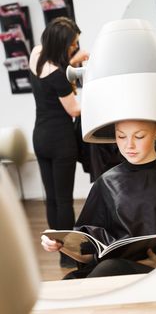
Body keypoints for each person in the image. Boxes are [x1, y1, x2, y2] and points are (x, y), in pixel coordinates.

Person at [41, 119, 156, 278]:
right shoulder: (106, 183)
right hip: (115, 270)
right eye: (121, 136)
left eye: (139, 136)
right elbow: (89, 255)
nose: (129, 145)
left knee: (108, 269)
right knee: (72, 280)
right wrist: (62, 245)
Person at [29, 16, 88, 268]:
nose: (74, 48)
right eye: (72, 45)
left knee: (51, 198)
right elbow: (74, 110)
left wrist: (72, 62)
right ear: (61, 44)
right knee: (65, 200)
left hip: (40, 137)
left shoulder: (36, 54)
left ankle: (56, 245)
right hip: (61, 140)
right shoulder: (59, 77)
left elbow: (54, 68)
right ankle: (67, 255)